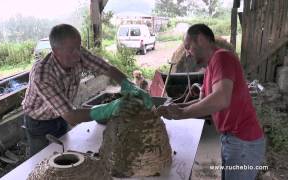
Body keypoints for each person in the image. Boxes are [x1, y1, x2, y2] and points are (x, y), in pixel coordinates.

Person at [22, 24, 153, 156]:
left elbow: (106, 68)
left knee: (63, 152)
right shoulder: (42, 74)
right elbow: (71, 116)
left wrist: (128, 84)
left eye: (79, 47)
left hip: (61, 115)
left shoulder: (77, 53)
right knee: (40, 160)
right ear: (55, 52)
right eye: (71, 51)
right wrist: (109, 108)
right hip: (39, 121)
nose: (77, 55)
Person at [156, 24, 265, 180]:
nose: (186, 53)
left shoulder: (222, 57)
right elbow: (205, 103)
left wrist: (182, 114)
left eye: (188, 47)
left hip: (243, 141)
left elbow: (221, 99)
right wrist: (176, 107)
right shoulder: (210, 69)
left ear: (200, 39)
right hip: (231, 139)